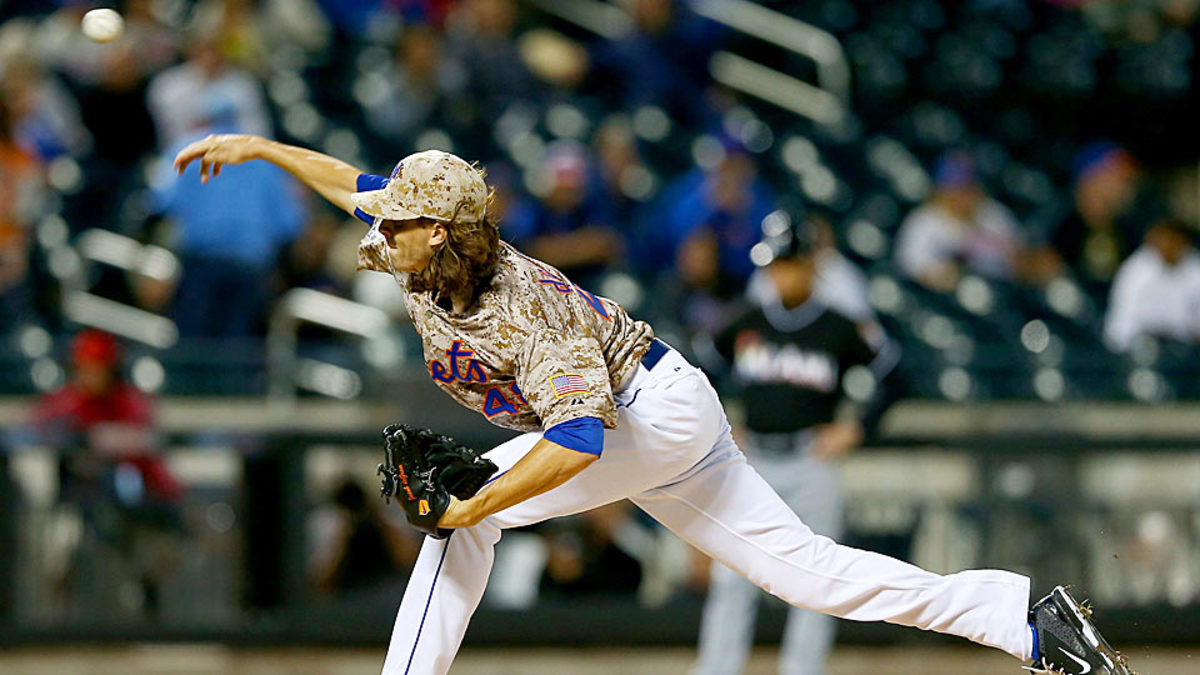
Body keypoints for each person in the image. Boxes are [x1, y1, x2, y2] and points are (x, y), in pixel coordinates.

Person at [173, 133, 1135, 675]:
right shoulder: (425, 239)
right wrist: (258, 149)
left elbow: (581, 440)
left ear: (446, 230)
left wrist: (476, 502)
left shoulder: (523, 307)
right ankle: (1027, 620)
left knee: (459, 520)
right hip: (667, 414)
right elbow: (353, 184)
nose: (383, 223)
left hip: (645, 413)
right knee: (811, 574)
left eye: (403, 218)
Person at [692, 216, 899, 675]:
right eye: (774, 265)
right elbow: (698, 369)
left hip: (810, 460)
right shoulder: (748, 320)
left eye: (787, 264)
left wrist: (857, 427)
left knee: (816, 580)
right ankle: (717, 668)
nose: (779, 275)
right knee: (733, 574)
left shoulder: (837, 326)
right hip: (751, 463)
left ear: (810, 265)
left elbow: (894, 375)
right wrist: (718, 423)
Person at [1104, 217, 1200, 352]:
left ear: (1184, 241)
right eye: (1163, 239)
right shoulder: (1136, 270)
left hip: (1185, 347)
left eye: (1174, 239)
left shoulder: (1195, 268)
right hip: (1142, 347)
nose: (1168, 244)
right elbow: (1120, 322)